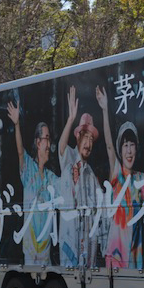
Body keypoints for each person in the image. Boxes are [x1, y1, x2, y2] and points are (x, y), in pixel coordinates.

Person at [97, 86, 144, 269]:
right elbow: (109, 146)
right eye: (125, 145)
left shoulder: (141, 179)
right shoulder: (117, 173)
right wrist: (104, 109)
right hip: (116, 254)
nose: (129, 151)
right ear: (120, 150)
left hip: (134, 256)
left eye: (132, 145)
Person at [7, 99, 59, 266]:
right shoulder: (28, 168)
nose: (49, 145)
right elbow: (20, 151)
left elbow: (65, 189)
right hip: (30, 250)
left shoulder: (51, 177)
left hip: (45, 251)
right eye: (46, 139)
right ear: (38, 142)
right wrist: (16, 124)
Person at [57, 85, 103, 267]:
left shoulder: (90, 174)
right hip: (70, 243)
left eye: (91, 139)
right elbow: (61, 147)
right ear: (77, 137)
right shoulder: (69, 158)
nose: (88, 143)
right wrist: (70, 119)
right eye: (85, 137)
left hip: (87, 247)